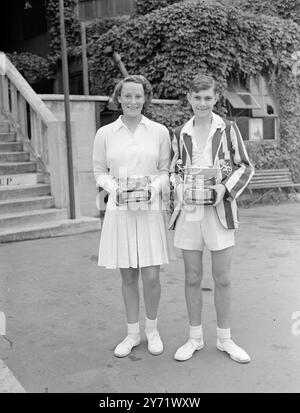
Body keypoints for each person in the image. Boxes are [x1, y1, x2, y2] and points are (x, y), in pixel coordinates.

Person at [169, 73, 254, 363]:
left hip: (219, 211)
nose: (202, 103)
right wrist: (179, 186)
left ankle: (225, 339)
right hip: (190, 213)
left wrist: (223, 188)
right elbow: (174, 169)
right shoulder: (181, 132)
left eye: (208, 98)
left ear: (215, 98)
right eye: (197, 98)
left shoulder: (227, 128)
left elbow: (245, 166)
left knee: (223, 277)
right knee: (192, 276)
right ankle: (194, 338)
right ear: (189, 99)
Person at [93, 75, 172, 358]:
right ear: (119, 98)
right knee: (128, 276)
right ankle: (132, 333)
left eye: (138, 96)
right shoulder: (105, 134)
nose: (133, 101)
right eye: (127, 96)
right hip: (120, 210)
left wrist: (153, 189)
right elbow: (99, 171)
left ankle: (152, 330)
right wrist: (115, 190)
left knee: (151, 276)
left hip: (149, 210)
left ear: (145, 98)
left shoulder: (160, 132)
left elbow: (165, 170)